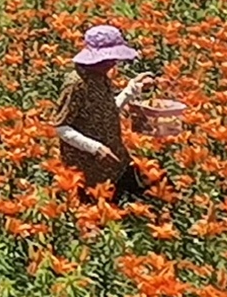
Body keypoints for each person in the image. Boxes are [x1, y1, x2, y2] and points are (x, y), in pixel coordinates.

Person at [54, 24, 158, 203]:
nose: (113, 63)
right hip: (88, 166)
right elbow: (61, 127)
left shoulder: (101, 77)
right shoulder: (76, 84)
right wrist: (95, 148)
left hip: (114, 158)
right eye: (109, 58)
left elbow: (109, 109)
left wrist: (132, 89)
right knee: (97, 212)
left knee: (148, 194)